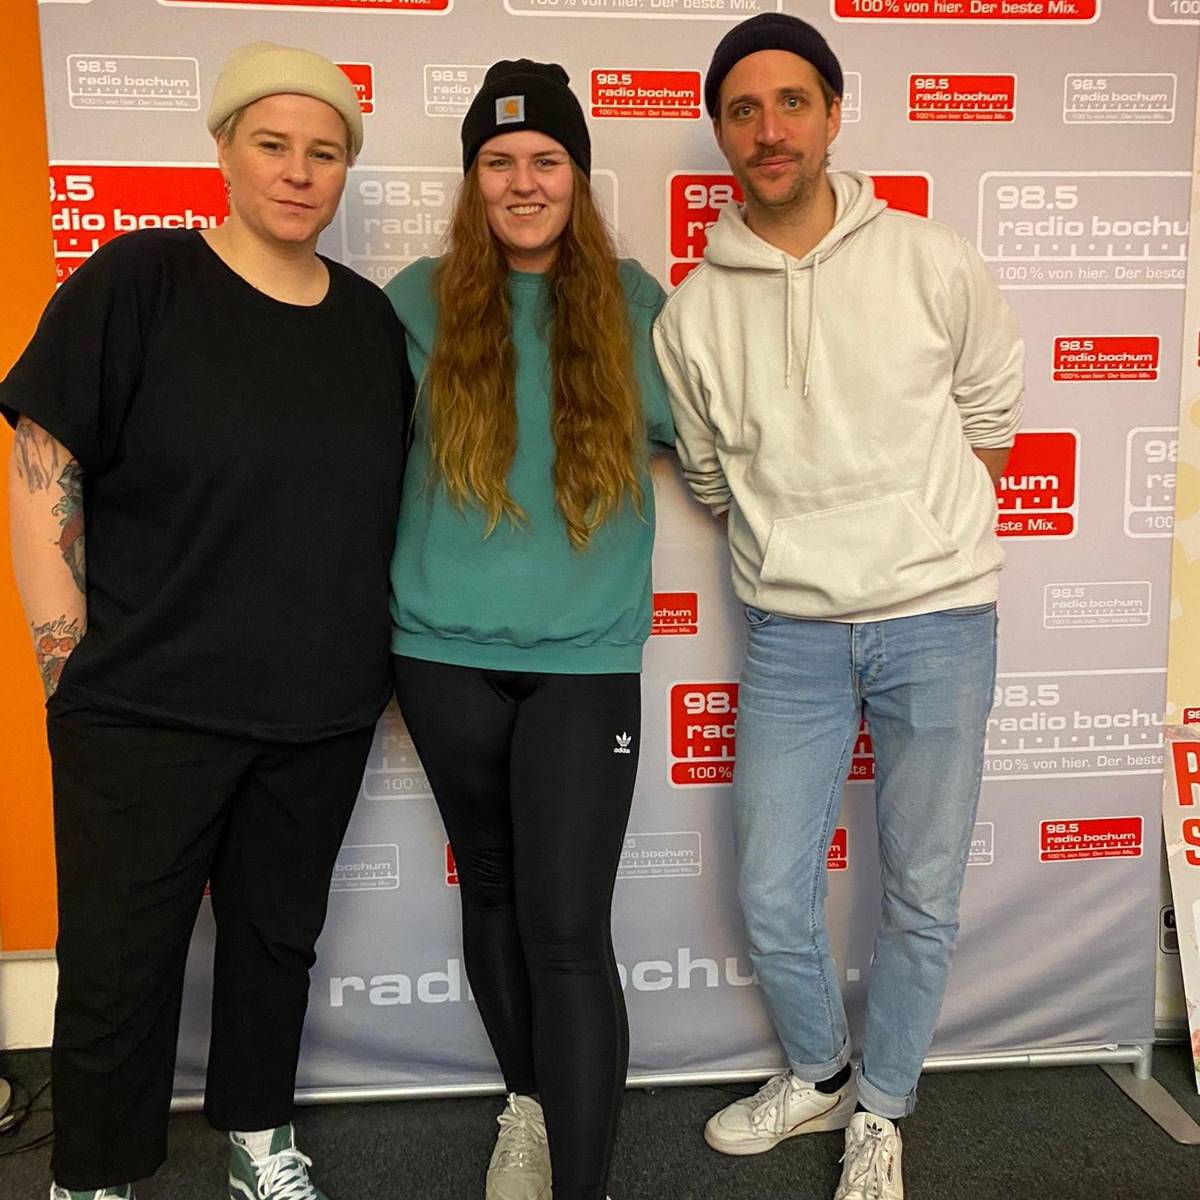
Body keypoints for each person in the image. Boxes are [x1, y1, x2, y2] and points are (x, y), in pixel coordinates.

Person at [4, 43, 412, 1200]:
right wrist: (67, 668)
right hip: (143, 708)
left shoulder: (370, 324)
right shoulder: (139, 280)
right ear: (225, 148)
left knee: (277, 944)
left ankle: (258, 1138)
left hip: (317, 713)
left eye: (324, 152)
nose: (298, 171)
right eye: (273, 144)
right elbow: (43, 469)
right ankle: (93, 1176)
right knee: (116, 963)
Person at [653, 14, 1023, 1200]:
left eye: (792, 103)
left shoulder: (930, 258)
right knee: (772, 887)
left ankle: (885, 1108)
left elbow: (992, 417)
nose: (769, 129)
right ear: (722, 133)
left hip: (941, 624)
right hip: (793, 635)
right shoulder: (691, 313)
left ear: (831, 115)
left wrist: (923, 543)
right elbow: (709, 475)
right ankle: (820, 1074)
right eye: (744, 110)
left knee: (921, 892)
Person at [384, 59, 674, 1200]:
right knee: (493, 894)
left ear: (578, 176)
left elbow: (743, 429)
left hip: (583, 664)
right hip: (441, 657)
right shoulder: (413, 302)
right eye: (498, 162)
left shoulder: (636, 304)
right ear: (473, 181)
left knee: (566, 930)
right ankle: (529, 1108)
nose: (522, 182)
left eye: (546, 159)